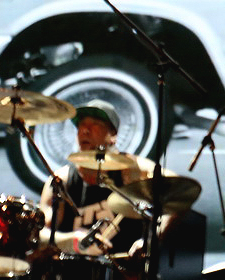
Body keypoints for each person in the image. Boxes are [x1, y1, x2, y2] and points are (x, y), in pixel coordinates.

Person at [38, 99, 149, 260]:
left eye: (95, 124)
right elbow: (40, 234)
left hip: (122, 268)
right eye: (81, 125)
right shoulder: (61, 180)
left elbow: (176, 192)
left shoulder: (133, 170)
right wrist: (72, 240)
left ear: (113, 135)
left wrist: (151, 241)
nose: (85, 130)